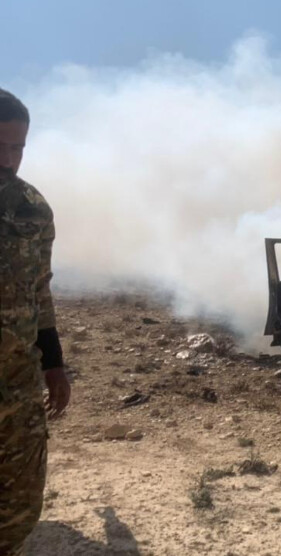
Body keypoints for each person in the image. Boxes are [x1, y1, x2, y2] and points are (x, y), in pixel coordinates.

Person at [1, 87, 70, 555]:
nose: (8, 160)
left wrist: (54, 364)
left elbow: (39, 291)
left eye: (18, 148)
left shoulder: (32, 209)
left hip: (17, 384)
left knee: (19, 508)